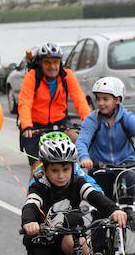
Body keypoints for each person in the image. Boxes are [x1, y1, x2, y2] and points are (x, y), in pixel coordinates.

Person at [75, 76, 135, 252]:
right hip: (100, 167)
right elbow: (82, 140)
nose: (101, 103)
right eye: (98, 98)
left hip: (125, 164)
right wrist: (85, 158)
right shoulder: (93, 120)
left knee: (130, 179)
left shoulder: (126, 118)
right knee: (100, 208)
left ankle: (131, 212)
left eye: (105, 99)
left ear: (117, 100)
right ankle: (99, 251)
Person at [18, 42, 92, 176]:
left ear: (60, 62)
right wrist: (27, 126)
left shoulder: (66, 75)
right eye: (47, 62)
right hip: (34, 126)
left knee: (79, 142)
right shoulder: (32, 76)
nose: (52, 66)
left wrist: (91, 124)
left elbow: (80, 100)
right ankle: (34, 195)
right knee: (37, 166)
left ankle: (79, 181)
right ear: (41, 63)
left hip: (60, 122)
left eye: (56, 62)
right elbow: (25, 102)